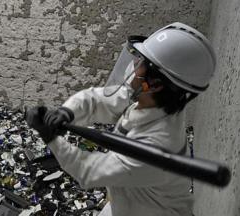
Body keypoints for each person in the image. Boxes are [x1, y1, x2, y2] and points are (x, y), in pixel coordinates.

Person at [26, 22, 216, 216]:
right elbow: (102, 101)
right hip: (130, 201)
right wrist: (67, 112)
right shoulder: (154, 102)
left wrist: (51, 138)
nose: (134, 64)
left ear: (155, 84)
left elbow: (90, 172)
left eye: (140, 61)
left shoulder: (157, 145)